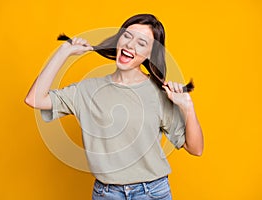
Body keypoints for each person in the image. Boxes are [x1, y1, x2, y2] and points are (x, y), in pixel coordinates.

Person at [25, 14, 203, 200]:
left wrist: (188, 106)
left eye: (141, 43)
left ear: (150, 54)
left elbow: (196, 148)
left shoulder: (160, 94)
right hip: (106, 194)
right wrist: (64, 51)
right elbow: (34, 99)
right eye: (127, 36)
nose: (130, 45)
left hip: (152, 192)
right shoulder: (87, 90)